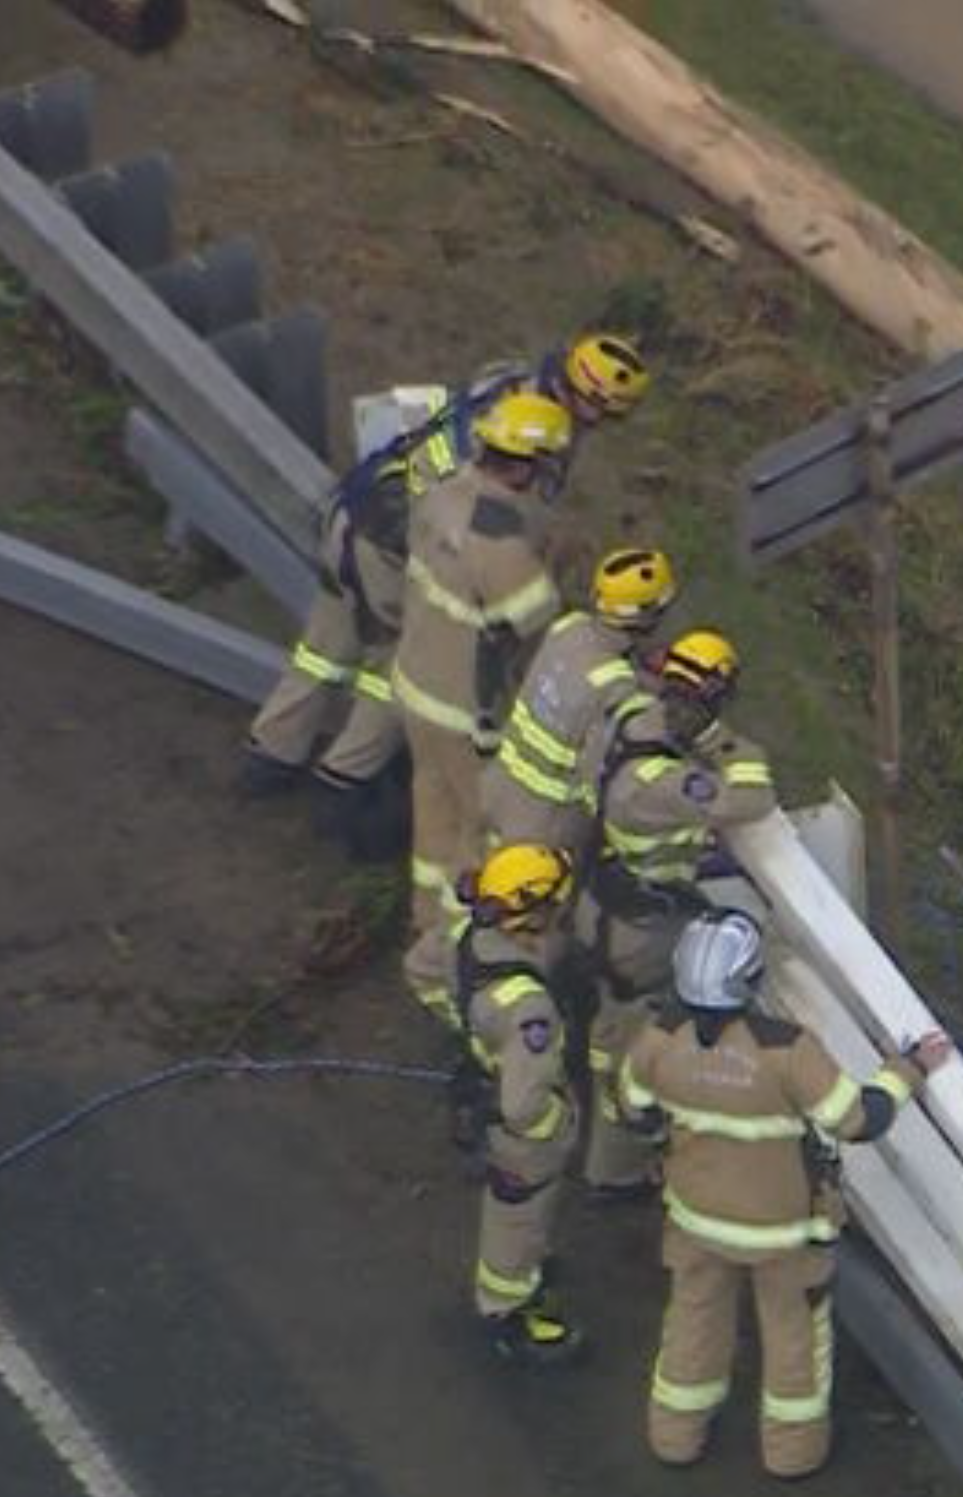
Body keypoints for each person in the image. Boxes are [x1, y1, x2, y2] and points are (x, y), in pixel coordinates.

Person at [238, 332, 654, 821]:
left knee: (323, 648)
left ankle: (270, 755)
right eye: (596, 410)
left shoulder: (507, 379)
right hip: (394, 548)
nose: (598, 422)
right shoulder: (532, 437)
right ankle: (343, 783)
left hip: (356, 511)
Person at [614, 910, 949, 1477]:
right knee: (794, 1339)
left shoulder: (658, 1039)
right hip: (785, 1232)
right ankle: (792, 1454)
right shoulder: (787, 1050)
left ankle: (674, 1436)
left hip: (695, 1219)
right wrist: (909, 1069)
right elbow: (857, 1120)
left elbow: (632, 1109)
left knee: (692, 1324)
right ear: (748, 978)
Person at [314, 388, 574, 1017]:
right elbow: (541, 626)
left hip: (414, 690)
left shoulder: (441, 494)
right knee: (477, 831)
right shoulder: (503, 545)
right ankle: (454, 950)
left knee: (430, 811)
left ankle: (424, 914)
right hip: (468, 712)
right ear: (527, 464)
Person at [570, 630, 778, 1198]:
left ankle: (596, 1098)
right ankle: (613, 1173)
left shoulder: (628, 719)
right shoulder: (661, 784)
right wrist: (718, 739)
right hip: (640, 933)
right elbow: (752, 794)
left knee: (607, 1029)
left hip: (599, 906)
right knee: (632, 1052)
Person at [451, 843, 587, 1367]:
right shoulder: (530, 1011)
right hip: (523, 1141)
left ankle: (513, 1283)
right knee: (519, 1222)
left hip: (484, 1088)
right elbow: (525, 1105)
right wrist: (561, 1128)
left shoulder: (473, 942)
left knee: (518, 1220)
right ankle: (510, 1310)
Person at [479, 546, 680, 854]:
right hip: (545, 823)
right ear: (649, 615)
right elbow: (608, 772)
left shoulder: (568, 628)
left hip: (496, 785)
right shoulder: (616, 686)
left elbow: (579, 676)